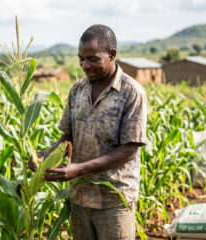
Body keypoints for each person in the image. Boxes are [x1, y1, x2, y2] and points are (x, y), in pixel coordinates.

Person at [29, 24, 147, 240]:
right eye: (81, 59)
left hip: (114, 201)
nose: (84, 65)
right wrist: (46, 157)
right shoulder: (78, 89)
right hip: (80, 199)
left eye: (92, 59)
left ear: (112, 54)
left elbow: (129, 149)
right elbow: (68, 137)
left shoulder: (131, 92)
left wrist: (78, 169)